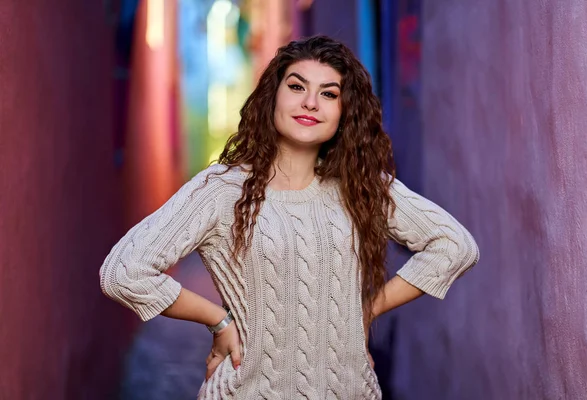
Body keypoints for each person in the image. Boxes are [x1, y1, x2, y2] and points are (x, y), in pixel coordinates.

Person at [100, 35, 480, 400]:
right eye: (297, 87)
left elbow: (454, 246)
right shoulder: (221, 190)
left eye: (329, 94)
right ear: (273, 97)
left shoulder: (362, 186)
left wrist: (364, 310)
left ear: (345, 113)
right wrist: (217, 319)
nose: (311, 102)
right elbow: (123, 272)